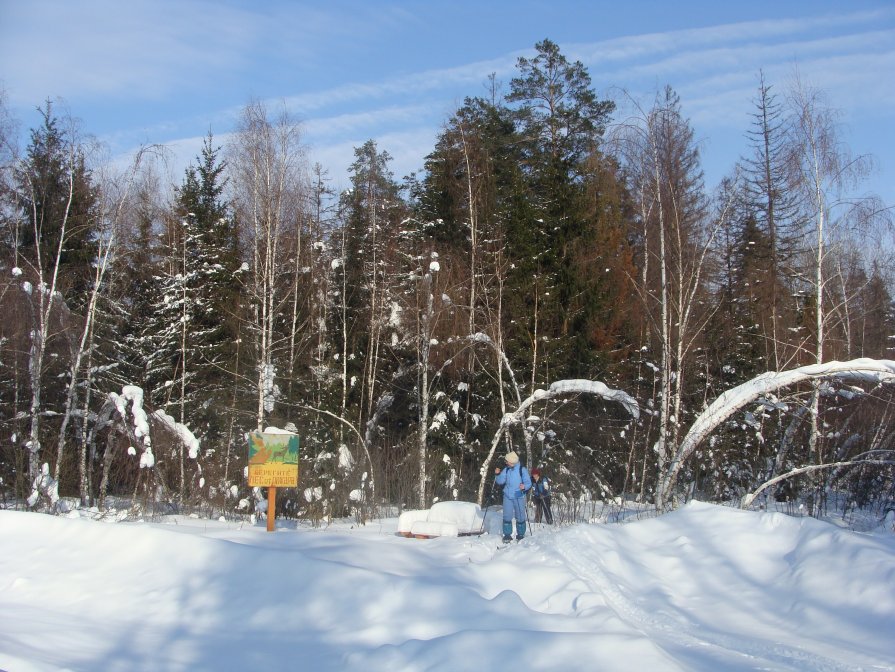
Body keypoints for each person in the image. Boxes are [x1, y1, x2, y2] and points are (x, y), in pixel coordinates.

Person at [494, 451, 531, 542]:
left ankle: (521, 535)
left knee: (520, 516)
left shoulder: (522, 470)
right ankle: (507, 535)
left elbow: (528, 482)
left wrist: (524, 486)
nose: (506, 463)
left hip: (518, 495)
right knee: (507, 516)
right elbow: (500, 481)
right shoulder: (506, 470)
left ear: (512, 462)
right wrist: (497, 474)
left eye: (507, 461)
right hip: (507, 496)